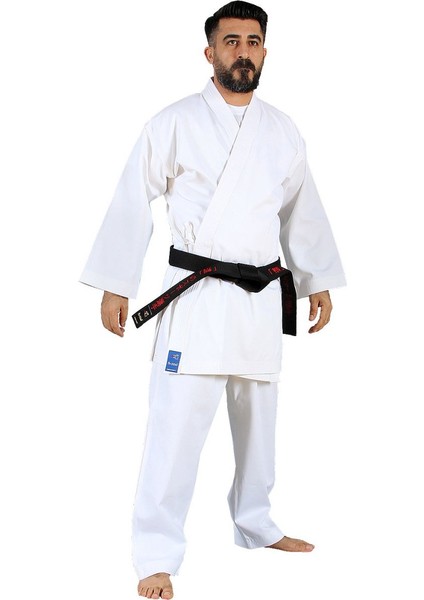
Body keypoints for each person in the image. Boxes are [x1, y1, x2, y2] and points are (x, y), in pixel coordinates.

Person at [80, 2, 346, 598]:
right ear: (210, 52)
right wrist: (117, 282)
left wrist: (316, 279)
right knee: (174, 431)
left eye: (253, 41)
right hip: (197, 299)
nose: (243, 51)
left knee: (260, 427)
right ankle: (155, 554)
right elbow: (132, 197)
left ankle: (256, 524)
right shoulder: (173, 122)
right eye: (231, 41)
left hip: (259, 299)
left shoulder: (282, 130)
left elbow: (301, 210)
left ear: (264, 51)